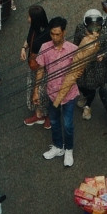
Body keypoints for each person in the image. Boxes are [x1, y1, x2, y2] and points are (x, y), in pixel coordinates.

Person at [34, 17, 78, 167]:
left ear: (64, 32)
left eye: (57, 34)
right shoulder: (45, 47)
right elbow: (40, 70)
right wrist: (35, 91)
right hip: (51, 93)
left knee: (68, 124)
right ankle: (58, 146)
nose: (54, 37)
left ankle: (69, 150)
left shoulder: (73, 49)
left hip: (69, 94)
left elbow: (78, 71)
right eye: (52, 34)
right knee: (54, 122)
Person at [71, 8, 107, 122]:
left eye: (97, 26)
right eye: (91, 27)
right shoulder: (80, 29)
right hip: (83, 63)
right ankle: (83, 95)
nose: (94, 30)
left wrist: (103, 54)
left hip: (97, 66)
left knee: (92, 87)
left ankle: (88, 105)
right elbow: (76, 44)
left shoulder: (105, 33)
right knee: (79, 83)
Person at [21, 3, 52, 128]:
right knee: (35, 90)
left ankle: (48, 116)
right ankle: (39, 115)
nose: (28, 19)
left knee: (42, 92)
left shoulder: (47, 35)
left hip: (43, 67)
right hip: (33, 64)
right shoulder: (34, 28)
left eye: (29, 17)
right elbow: (28, 40)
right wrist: (23, 48)